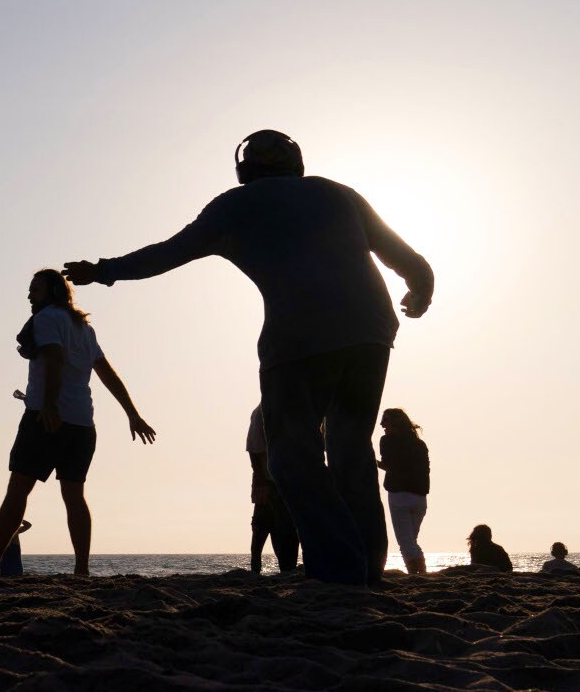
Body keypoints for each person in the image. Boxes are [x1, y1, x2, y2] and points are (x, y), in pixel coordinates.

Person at [65, 131, 433, 585]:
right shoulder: (339, 193)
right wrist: (420, 291)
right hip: (371, 333)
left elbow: (166, 254)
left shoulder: (234, 206)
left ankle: (339, 568)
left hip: (297, 341)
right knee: (350, 445)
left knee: (291, 456)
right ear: (296, 161)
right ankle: (367, 568)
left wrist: (101, 271)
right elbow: (407, 258)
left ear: (244, 168)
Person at [0, 270, 156, 578]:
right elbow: (107, 373)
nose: (30, 295)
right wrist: (132, 413)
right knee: (74, 496)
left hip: (46, 418)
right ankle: (82, 569)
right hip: (82, 425)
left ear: (54, 291)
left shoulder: (47, 319)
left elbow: (54, 358)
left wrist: (48, 404)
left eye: (35, 289)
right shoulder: (85, 329)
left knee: (18, 490)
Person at [247, 406, 299, 574]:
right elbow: (254, 448)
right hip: (270, 481)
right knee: (267, 526)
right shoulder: (261, 412)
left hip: (282, 480)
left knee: (281, 528)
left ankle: (285, 568)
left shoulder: (280, 409)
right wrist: (261, 479)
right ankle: (260, 569)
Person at [379, 408, 430, 575]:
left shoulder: (388, 441)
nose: (382, 425)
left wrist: (371, 461)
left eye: (385, 421)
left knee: (405, 542)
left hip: (399, 495)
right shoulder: (419, 444)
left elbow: (388, 465)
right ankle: (420, 572)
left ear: (394, 422)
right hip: (420, 497)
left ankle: (416, 573)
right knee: (411, 541)